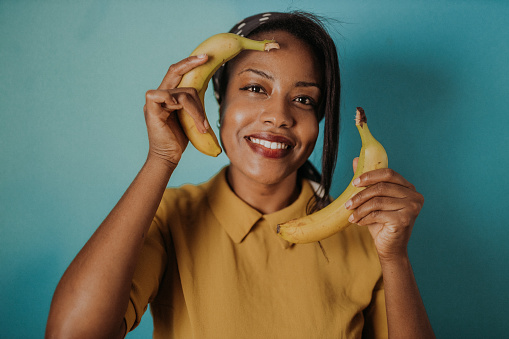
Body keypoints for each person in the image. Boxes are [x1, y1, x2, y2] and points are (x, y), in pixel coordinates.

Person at [45, 11, 435, 339]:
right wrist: (160, 159)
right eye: (254, 87)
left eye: (303, 99)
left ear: (319, 119)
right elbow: (73, 332)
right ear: (217, 98)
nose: (279, 116)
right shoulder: (169, 217)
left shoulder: (365, 233)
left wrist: (395, 258)